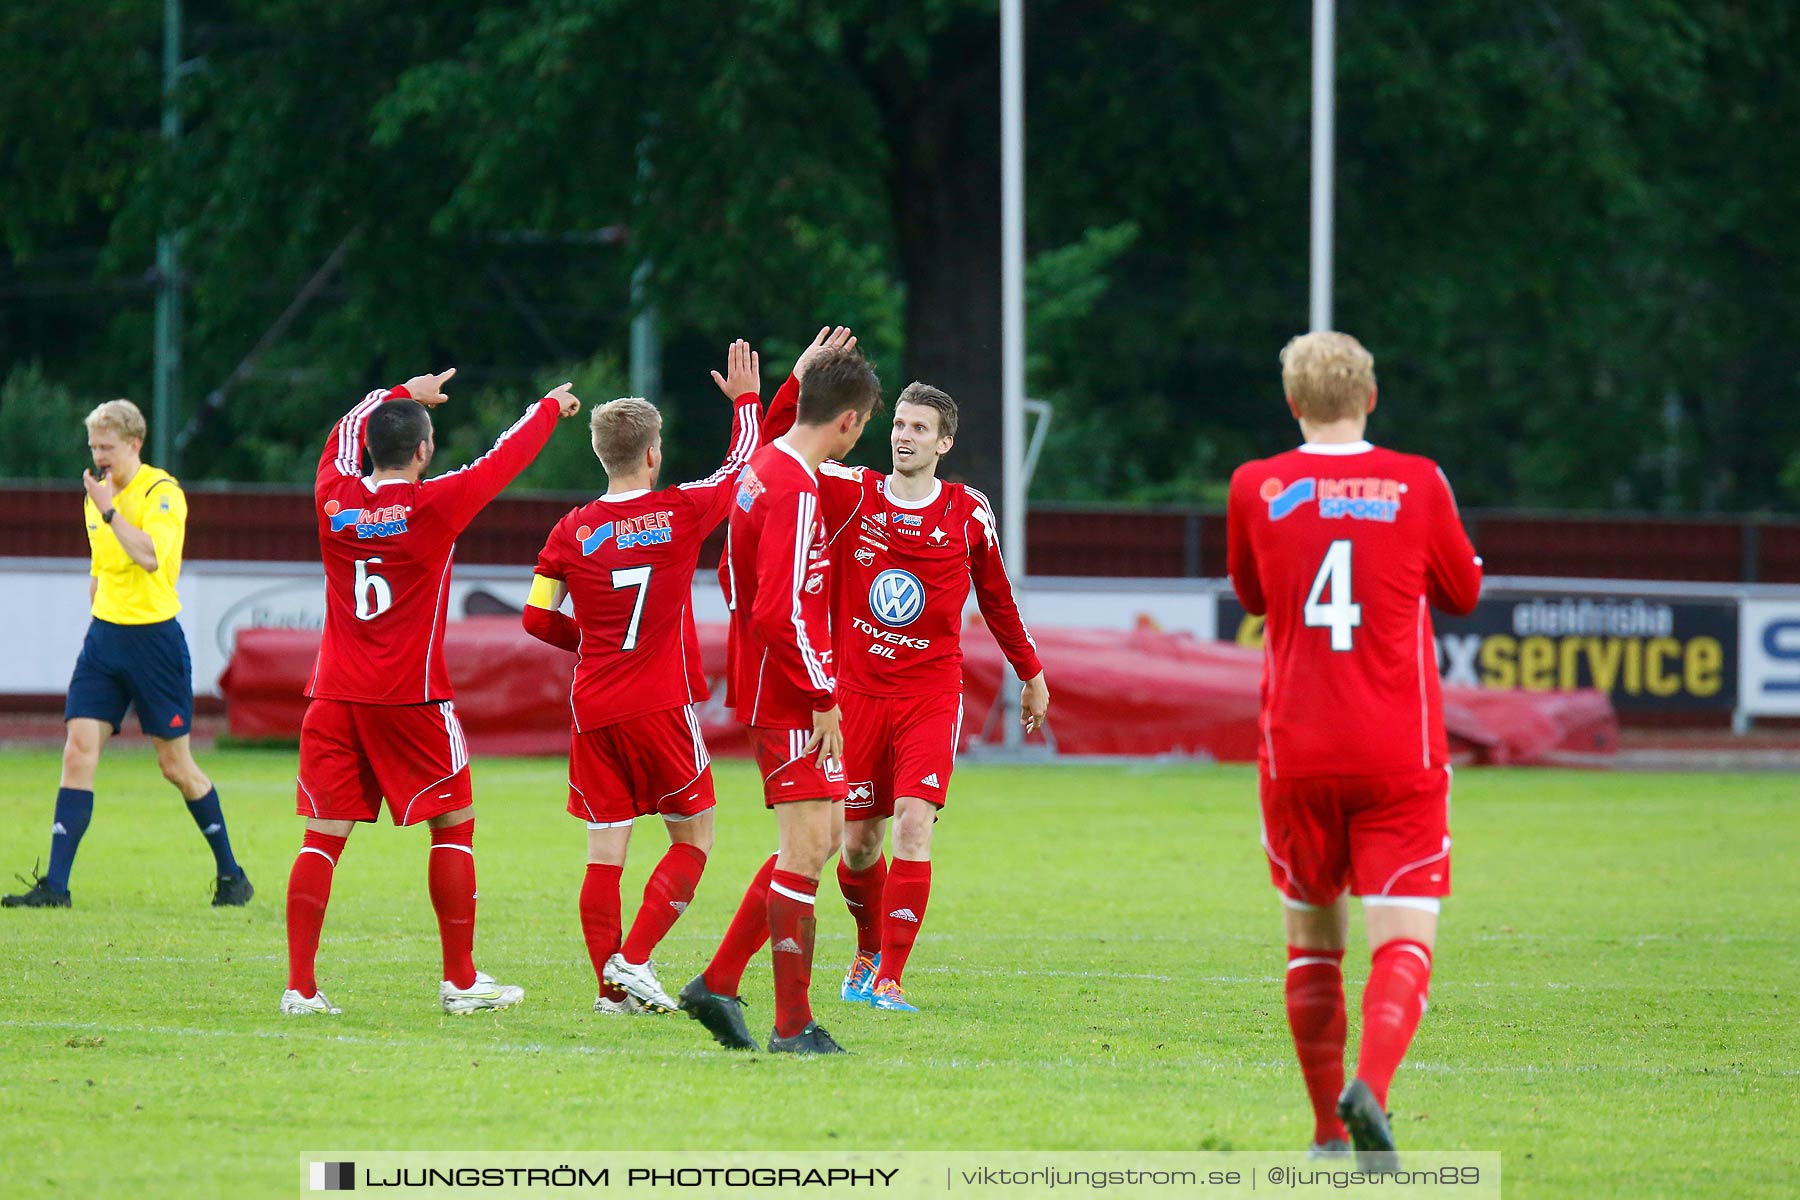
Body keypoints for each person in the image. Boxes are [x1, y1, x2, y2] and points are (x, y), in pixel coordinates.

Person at [1226, 332, 1482, 1171]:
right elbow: (1464, 591)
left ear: (1293, 404)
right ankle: (1370, 1084)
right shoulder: (1418, 481)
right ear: (1371, 397)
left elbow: (1254, 597)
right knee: (1405, 938)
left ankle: (1328, 1136)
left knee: (1312, 944)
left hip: (1295, 749)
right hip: (1395, 750)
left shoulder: (1255, 485)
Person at [281, 368, 582, 1016]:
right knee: (453, 823)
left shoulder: (334, 500)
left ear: (370, 449)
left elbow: (338, 433)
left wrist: (396, 393)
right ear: (422, 451)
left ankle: (300, 989)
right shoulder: (434, 503)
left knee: (321, 837)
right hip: (410, 697)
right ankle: (461, 980)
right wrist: (550, 406)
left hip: (334, 695)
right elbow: (506, 458)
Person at [757, 357, 1049, 1013]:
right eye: (900, 425)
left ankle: (890, 975)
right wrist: (787, 390)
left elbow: (998, 599)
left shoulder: (968, 513)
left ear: (944, 442)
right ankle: (866, 949)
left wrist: (1030, 672)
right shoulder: (852, 493)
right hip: (854, 697)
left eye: (921, 428)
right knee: (858, 846)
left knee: (915, 826)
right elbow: (779, 459)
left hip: (928, 698)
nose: (905, 436)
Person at [521, 341, 762, 1016]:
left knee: (605, 855)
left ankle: (610, 992)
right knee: (695, 837)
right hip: (659, 701)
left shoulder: (570, 531)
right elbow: (742, 465)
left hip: (593, 706)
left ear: (602, 454)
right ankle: (633, 960)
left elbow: (537, 620)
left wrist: (591, 639)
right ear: (652, 454)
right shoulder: (681, 513)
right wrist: (747, 400)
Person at [679, 343, 880, 1055]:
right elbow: (779, 608)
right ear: (850, 422)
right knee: (803, 854)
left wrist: (791, 382)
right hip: (791, 691)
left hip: (780, 682)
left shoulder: (768, 464)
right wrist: (823, 693)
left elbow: (773, 434)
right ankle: (792, 1024)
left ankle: (718, 981)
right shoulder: (794, 488)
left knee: (820, 840)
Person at [5, 399, 251, 910]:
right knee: (77, 750)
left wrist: (110, 508)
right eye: (93, 447)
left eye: (108, 447)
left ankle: (232, 876)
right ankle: (56, 886)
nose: (99, 457)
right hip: (105, 640)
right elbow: (100, 572)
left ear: (134, 444)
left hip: (154, 643)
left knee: (175, 766)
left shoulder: (162, 493)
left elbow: (147, 556)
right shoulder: (95, 495)